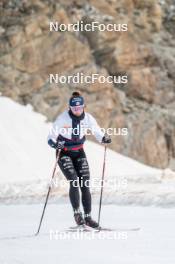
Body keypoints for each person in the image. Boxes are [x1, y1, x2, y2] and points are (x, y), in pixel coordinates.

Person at [47, 91, 111, 228]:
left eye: (80, 108)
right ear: (69, 108)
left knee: (85, 183)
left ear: (84, 107)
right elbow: (50, 138)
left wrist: (103, 138)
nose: (77, 111)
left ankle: (88, 217)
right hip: (63, 152)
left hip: (79, 152)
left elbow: (97, 131)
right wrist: (55, 144)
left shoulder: (88, 118)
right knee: (74, 181)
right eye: (74, 108)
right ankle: (77, 214)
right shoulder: (62, 119)